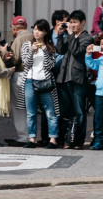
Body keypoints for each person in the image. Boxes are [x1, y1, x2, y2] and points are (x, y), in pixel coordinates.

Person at [56, 10, 93, 149]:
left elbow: (76, 51)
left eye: (75, 22)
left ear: (83, 22)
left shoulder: (87, 38)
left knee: (79, 111)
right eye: (70, 22)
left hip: (78, 78)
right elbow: (60, 50)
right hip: (64, 76)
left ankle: (78, 140)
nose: (72, 25)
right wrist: (60, 35)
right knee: (66, 111)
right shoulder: (69, 36)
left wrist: (70, 35)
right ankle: (67, 139)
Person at [21, 20, 60, 148]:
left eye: (40, 30)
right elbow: (26, 63)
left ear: (45, 32)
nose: (36, 32)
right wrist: (32, 51)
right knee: (31, 112)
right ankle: (32, 138)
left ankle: (53, 139)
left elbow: (50, 66)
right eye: (35, 29)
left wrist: (44, 51)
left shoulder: (49, 46)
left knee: (50, 111)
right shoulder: (27, 45)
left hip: (45, 81)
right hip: (29, 80)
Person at [6, 16, 33, 145]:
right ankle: (31, 134)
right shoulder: (32, 35)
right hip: (32, 74)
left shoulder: (19, 39)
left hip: (20, 74)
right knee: (29, 106)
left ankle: (23, 136)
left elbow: (15, 59)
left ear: (14, 27)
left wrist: (5, 53)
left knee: (19, 106)